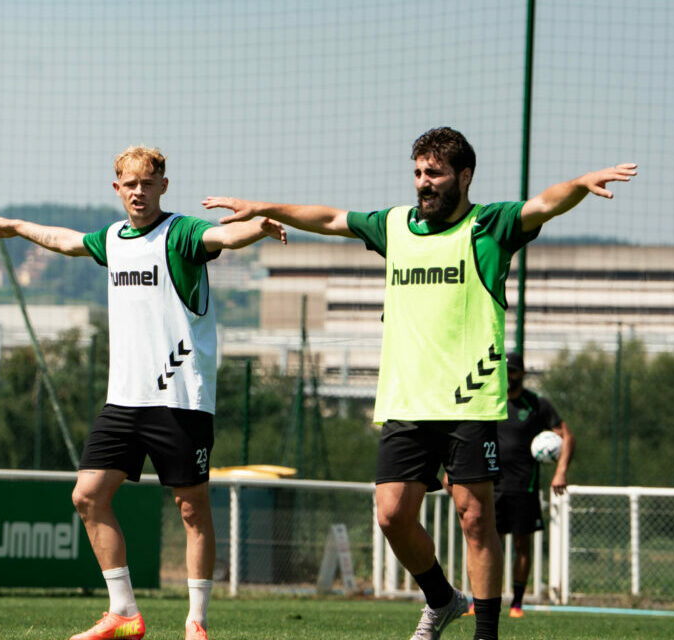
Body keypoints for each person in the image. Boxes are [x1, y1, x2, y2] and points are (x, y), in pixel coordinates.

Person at [203, 126, 634, 640]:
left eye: (435, 173)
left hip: (470, 403)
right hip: (405, 401)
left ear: (464, 176)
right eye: (417, 173)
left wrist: (581, 184)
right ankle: (442, 599)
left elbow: (543, 204)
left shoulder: (489, 226)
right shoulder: (395, 226)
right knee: (390, 515)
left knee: (476, 519)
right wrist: (259, 205)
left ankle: (486, 633)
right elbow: (330, 218)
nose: (423, 183)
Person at [0, 146, 286, 640]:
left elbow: (222, 233)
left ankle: (197, 622)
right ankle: (124, 613)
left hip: (180, 397)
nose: (139, 192)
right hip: (124, 401)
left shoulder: (180, 233)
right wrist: (16, 227)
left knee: (191, 508)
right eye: (130, 184)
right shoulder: (113, 239)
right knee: (87, 496)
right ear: (117, 189)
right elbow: (66, 240)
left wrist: (259, 225)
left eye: (148, 182)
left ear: (164, 186)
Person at [494, 351, 575, 619]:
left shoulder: (537, 405)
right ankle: (481, 600)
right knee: (485, 544)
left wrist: (560, 472)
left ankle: (517, 603)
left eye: (513, 371)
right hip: (490, 484)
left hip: (523, 486)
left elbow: (567, 436)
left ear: (522, 374)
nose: (509, 376)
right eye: (505, 370)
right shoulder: (489, 400)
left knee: (521, 545)